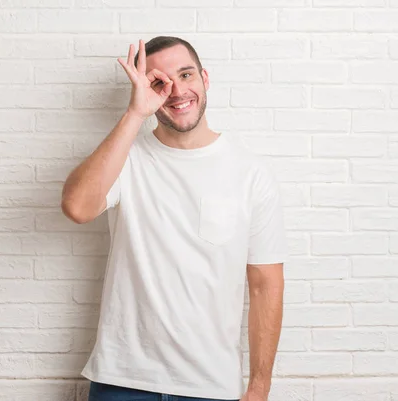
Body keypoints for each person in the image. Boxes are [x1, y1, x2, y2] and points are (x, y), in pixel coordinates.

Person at [61, 36, 287, 401]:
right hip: (123, 380)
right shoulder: (127, 158)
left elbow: (265, 285)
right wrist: (136, 114)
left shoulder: (250, 173)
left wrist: (259, 388)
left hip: (211, 386)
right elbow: (76, 208)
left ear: (205, 78)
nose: (177, 90)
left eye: (186, 75)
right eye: (159, 82)